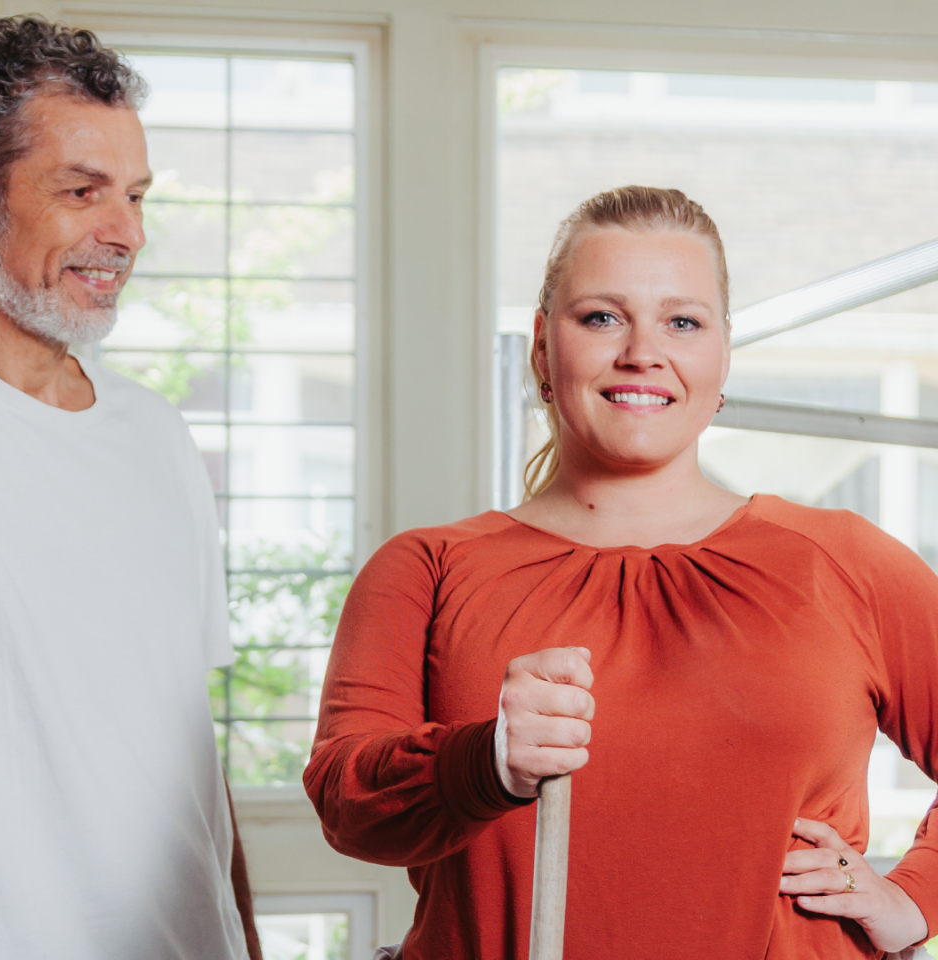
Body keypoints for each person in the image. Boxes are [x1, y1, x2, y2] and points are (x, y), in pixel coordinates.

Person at [304, 185, 938, 959]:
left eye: (683, 321)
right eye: (602, 317)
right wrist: (490, 759)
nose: (643, 351)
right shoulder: (428, 568)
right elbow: (348, 804)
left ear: (722, 353)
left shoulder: (842, 562)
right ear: (544, 345)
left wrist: (914, 898)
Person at [0, 17, 261, 960]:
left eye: (135, 196)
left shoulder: (157, 434)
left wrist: (246, 939)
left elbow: (192, 751)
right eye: (81, 191)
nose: (127, 233)